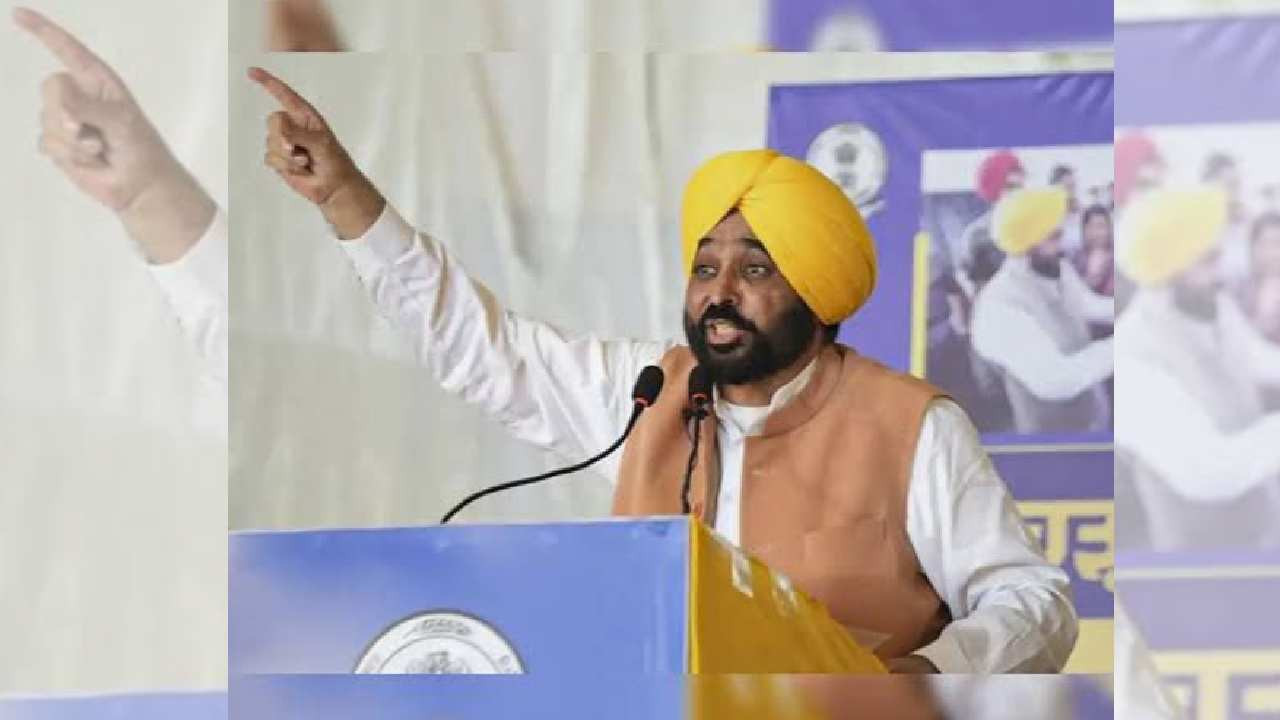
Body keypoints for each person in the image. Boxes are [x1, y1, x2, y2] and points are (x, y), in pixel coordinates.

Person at [250, 66, 1078, 673]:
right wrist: (345, 199)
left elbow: (1032, 601)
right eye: (705, 267)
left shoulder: (911, 426)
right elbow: (479, 346)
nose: (720, 293)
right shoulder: (646, 394)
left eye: (755, 270)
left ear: (819, 295)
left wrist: (925, 675)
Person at [1115, 188, 1280, 550]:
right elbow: (1208, 472)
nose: (1221, 273)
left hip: (1257, 522)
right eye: (1209, 259)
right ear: (1171, 265)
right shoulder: (1133, 353)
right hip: (1199, 553)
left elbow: (1256, 359)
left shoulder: (1212, 304)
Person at [970, 189, 1114, 434]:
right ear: (1027, 242)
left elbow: (1085, 305)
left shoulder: (1056, 266)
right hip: (1053, 430)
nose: (1064, 244)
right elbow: (1055, 380)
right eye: (1055, 236)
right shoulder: (999, 306)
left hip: (1092, 410)